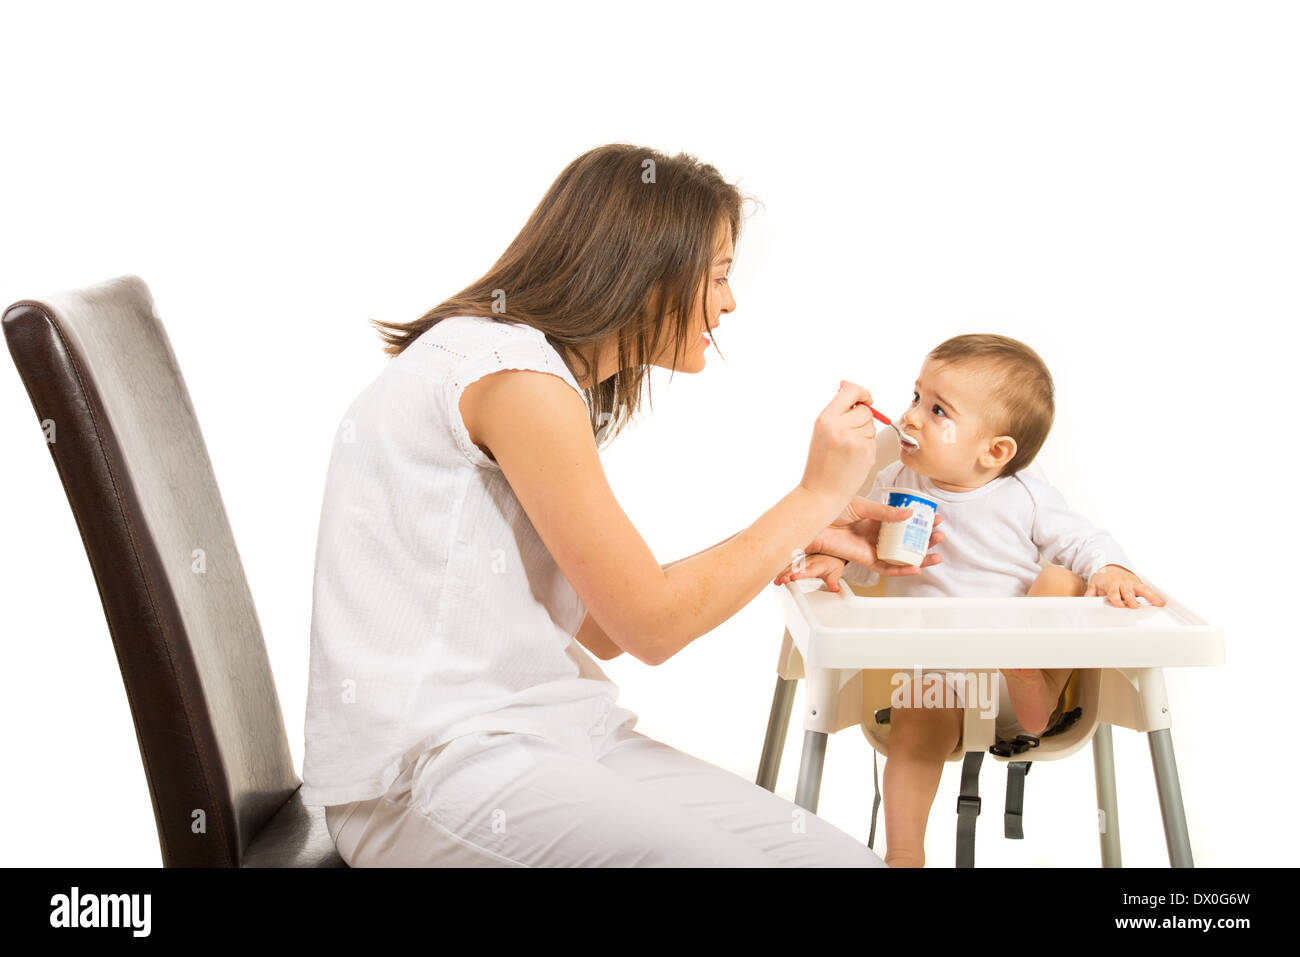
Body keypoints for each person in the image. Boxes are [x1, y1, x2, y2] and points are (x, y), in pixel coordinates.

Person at [298, 143, 943, 866]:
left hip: (547, 734)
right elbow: (650, 627)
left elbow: (605, 624)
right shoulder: (513, 378)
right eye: (720, 274)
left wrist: (799, 533)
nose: (730, 301)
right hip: (431, 771)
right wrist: (812, 497)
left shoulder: (527, 372)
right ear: (647, 271)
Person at [773, 333, 1165, 867]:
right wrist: (836, 561)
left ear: (995, 451)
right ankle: (905, 854)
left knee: (1059, 579)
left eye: (937, 410)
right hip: (939, 684)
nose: (910, 418)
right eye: (915, 397)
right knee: (914, 712)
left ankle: (1037, 687)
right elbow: (863, 545)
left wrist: (1112, 569)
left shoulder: (1024, 497)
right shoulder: (895, 485)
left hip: (1013, 679)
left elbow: (1084, 540)